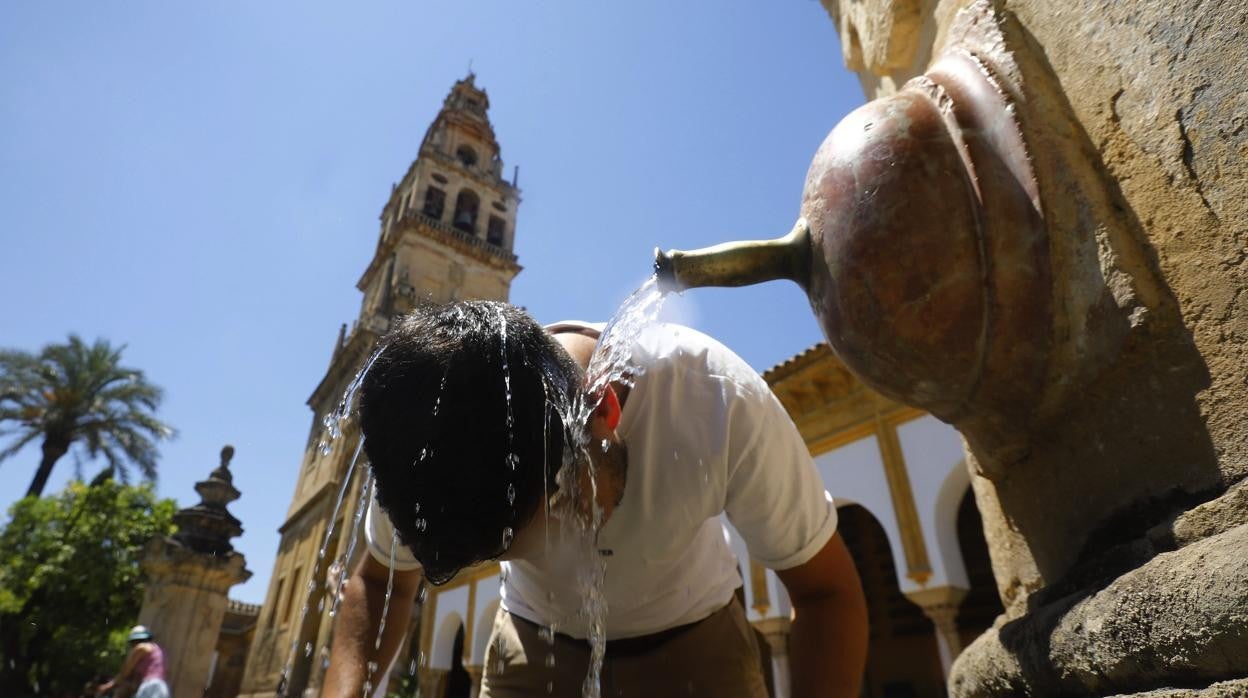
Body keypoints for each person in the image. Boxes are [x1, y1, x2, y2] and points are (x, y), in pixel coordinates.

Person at [324, 301, 867, 697]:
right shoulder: (432, 449)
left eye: (565, 514)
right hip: (534, 647)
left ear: (603, 412)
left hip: (698, 644)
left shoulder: (714, 397)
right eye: (515, 551)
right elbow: (380, 582)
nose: (559, 555)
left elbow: (825, 593)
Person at [96, 626, 168, 698]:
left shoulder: (141, 647)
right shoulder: (156, 649)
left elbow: (125, 672)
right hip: (162, 688)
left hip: (150, 686)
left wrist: (107, 686)